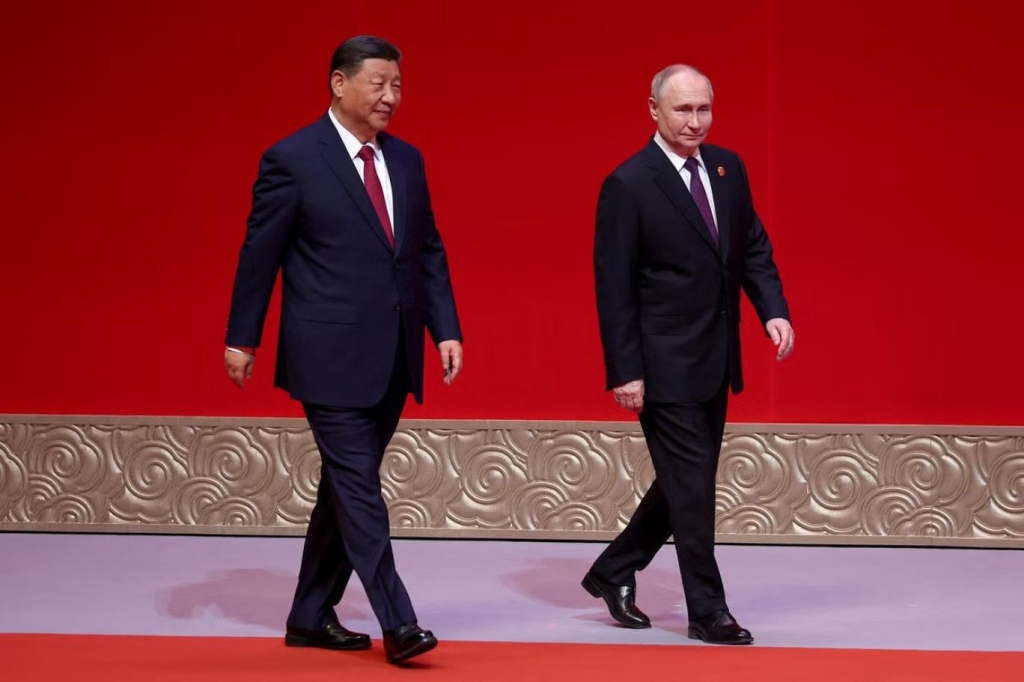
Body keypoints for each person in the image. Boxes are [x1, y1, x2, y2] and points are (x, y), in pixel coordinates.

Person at [222, 35, 463, 664]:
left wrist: (445, 327)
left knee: (344, 486)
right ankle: (399, 622)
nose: (391, 96)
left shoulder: (406, 160)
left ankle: (309, 615)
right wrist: (243, 336)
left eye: (398, 85)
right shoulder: (293, 159)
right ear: (338, 82)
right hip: (326, 354)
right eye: (378, 83)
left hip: (395, 353)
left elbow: (426, 249)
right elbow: (260, 253)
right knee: (359, 488)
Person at [583, 64, 794, 645]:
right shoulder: (629, 183)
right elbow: (613, 287)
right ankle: (708, 610)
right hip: (661, 364)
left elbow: (751, 245)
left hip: (715, 357)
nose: (695, 121)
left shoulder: (727, 168)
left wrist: (772, 310)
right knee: (694, 487)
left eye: (703, 109)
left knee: (687, 481)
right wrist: (625, 370)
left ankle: (614, 569)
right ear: (654, 110)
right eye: (682, 109)